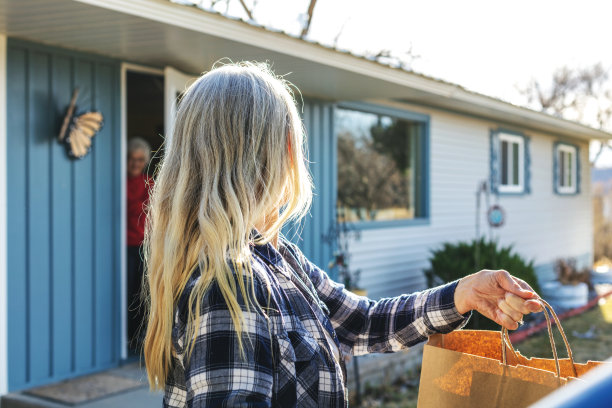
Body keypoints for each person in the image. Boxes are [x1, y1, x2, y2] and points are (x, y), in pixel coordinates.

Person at [143, 62, 543, 407]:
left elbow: (361, 322)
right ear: (278, 149)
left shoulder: (277, 258)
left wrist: (464, 294)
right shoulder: (229, 285)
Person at [126, 137, 153, 354]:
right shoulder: (120, 181)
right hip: (122, 246)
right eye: (131, 159)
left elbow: (141, 210)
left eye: (140, 159)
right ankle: (125, 335)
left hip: (143, 246)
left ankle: (136, 337)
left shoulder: (149, 183)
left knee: (140, 294)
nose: (135, 163)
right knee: (124, 292)